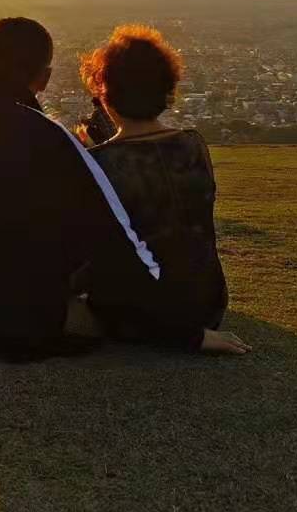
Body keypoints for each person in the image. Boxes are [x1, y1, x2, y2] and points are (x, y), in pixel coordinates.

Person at [0, 16, 249, 359]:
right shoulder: (52, 140)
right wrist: (189, 335)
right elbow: (116, 246)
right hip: (6, 324)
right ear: (43, 79)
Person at [80, 25, 243, 351]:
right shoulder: (194, 145)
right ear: (167, 91)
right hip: (208, 305)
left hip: (138, 317)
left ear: (105, 95)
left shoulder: (99, 162)